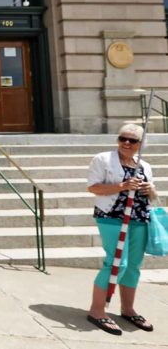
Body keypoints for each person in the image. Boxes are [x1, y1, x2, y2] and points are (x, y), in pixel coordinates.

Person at [86, 123, 158, 335]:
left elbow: (152, 195)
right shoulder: (103, 159)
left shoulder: (144, 165)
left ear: (141, 144)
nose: (126, 143)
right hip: (111, 216)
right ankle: (97, 310)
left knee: (133, 265)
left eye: (132, 140)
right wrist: (122, 186)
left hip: (139, 218)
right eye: (122, 138)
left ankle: (128, 309)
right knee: (117, 262)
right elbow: (93, 187)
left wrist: (149, 189)